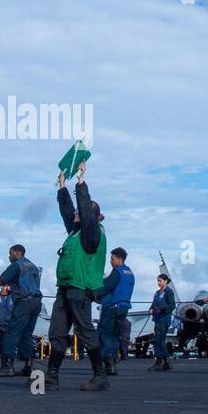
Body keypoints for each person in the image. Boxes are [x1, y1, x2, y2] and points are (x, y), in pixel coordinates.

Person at [47, 163, 109, 392]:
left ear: (90, 216)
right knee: (57, 331)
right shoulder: (76, 231)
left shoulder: (92, 233)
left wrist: (81, 182)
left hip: (80, 289)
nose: (75, 214)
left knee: (84, 331)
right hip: (65, 288)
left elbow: (83, 210)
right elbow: (68, 211)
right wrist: (63, 187)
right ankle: (52, 376)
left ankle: (100, 376)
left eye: (80, 213)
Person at [0, 244, 44, 379]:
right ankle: (29, 366)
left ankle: (7, 367)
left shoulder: (17, 265)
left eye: (10, 253)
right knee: (26, 334)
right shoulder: (33, 266)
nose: (9, 256)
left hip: (23, 303)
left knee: (11, 333)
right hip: (36, 303)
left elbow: (0, 281)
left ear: (17, 253)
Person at [93, 247, 134, 376]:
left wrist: (92, 294)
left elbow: (106, 287)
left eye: (112, 259)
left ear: (119, 259)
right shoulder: (130, 273)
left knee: (105, 335)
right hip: (123, 308)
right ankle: (113, 363)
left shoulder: (117, 272)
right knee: (115, 336)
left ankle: (108, 362)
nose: (110, 261)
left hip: (112, 308)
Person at [149, 274, 176, 371]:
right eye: (158, 281)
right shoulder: (157, 293)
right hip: (157, 319)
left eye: (160, 281)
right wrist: (151, 309)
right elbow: (153, 304)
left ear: (165, 281)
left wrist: (161, 309)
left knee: (159, 340)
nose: (158, 283)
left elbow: (172, 305)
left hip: (164, 319)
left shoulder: (169, 292)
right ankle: (166, 362)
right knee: (158, 340)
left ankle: (160, 361)